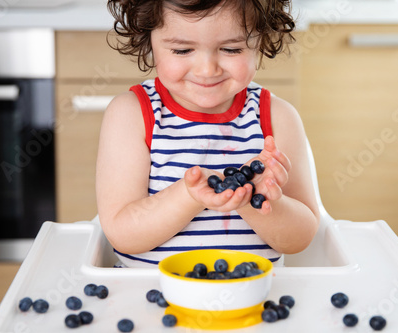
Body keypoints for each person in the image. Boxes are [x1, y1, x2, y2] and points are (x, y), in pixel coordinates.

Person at [96, 0, 319, 267]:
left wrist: (252, 198)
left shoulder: (276, 117)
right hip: (147, 296)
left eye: (231, 49)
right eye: (182, 50)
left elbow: (301, 239)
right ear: (149, 40)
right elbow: (122, 234)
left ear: (261, 40)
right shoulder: (132, 115)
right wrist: (189, 196)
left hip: (253, 298)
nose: (207, 70)